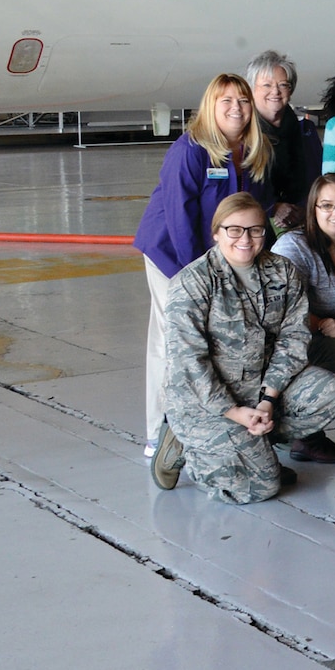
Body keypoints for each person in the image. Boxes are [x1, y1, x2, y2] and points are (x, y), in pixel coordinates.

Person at [150, 194, 335, 501]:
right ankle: (183, 443)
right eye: (234, 230)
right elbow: (190, 364)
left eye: (256, 230)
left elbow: (294, 339)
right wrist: (233, 412)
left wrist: (267, 399)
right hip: (206, 404)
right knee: (261, 489)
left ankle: (255, 452)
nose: (245, 239)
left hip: (259, 391)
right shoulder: (192, 283)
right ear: (216, 232)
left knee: (328, 393)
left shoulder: (282, 272)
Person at [134, 73, 275, 448]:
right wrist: (194, 280)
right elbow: (179, 217)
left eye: (243, 101)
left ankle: (210, 424)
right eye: (226, 100)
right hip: (173, 255)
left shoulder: (253, 151)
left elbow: (256, 210)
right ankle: (159, 435)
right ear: (210, 106)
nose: (236, 108)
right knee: (175, 341)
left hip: (217, 261)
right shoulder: (190, 149)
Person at [270, 175, 335, 388]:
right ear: (312, 209)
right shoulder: (293, 248)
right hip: (285, 345)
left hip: (323, 336)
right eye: (326, 206)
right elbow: (283, 311)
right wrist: (325, 325)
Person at [248, 51, 320, 210]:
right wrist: (273, 208)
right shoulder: (243, 134)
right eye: (267, 85)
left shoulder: (305, 132)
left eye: (283, 85)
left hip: (303, 218)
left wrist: (301, 211)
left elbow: (316, 181)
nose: (275, 91)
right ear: (251, 89)